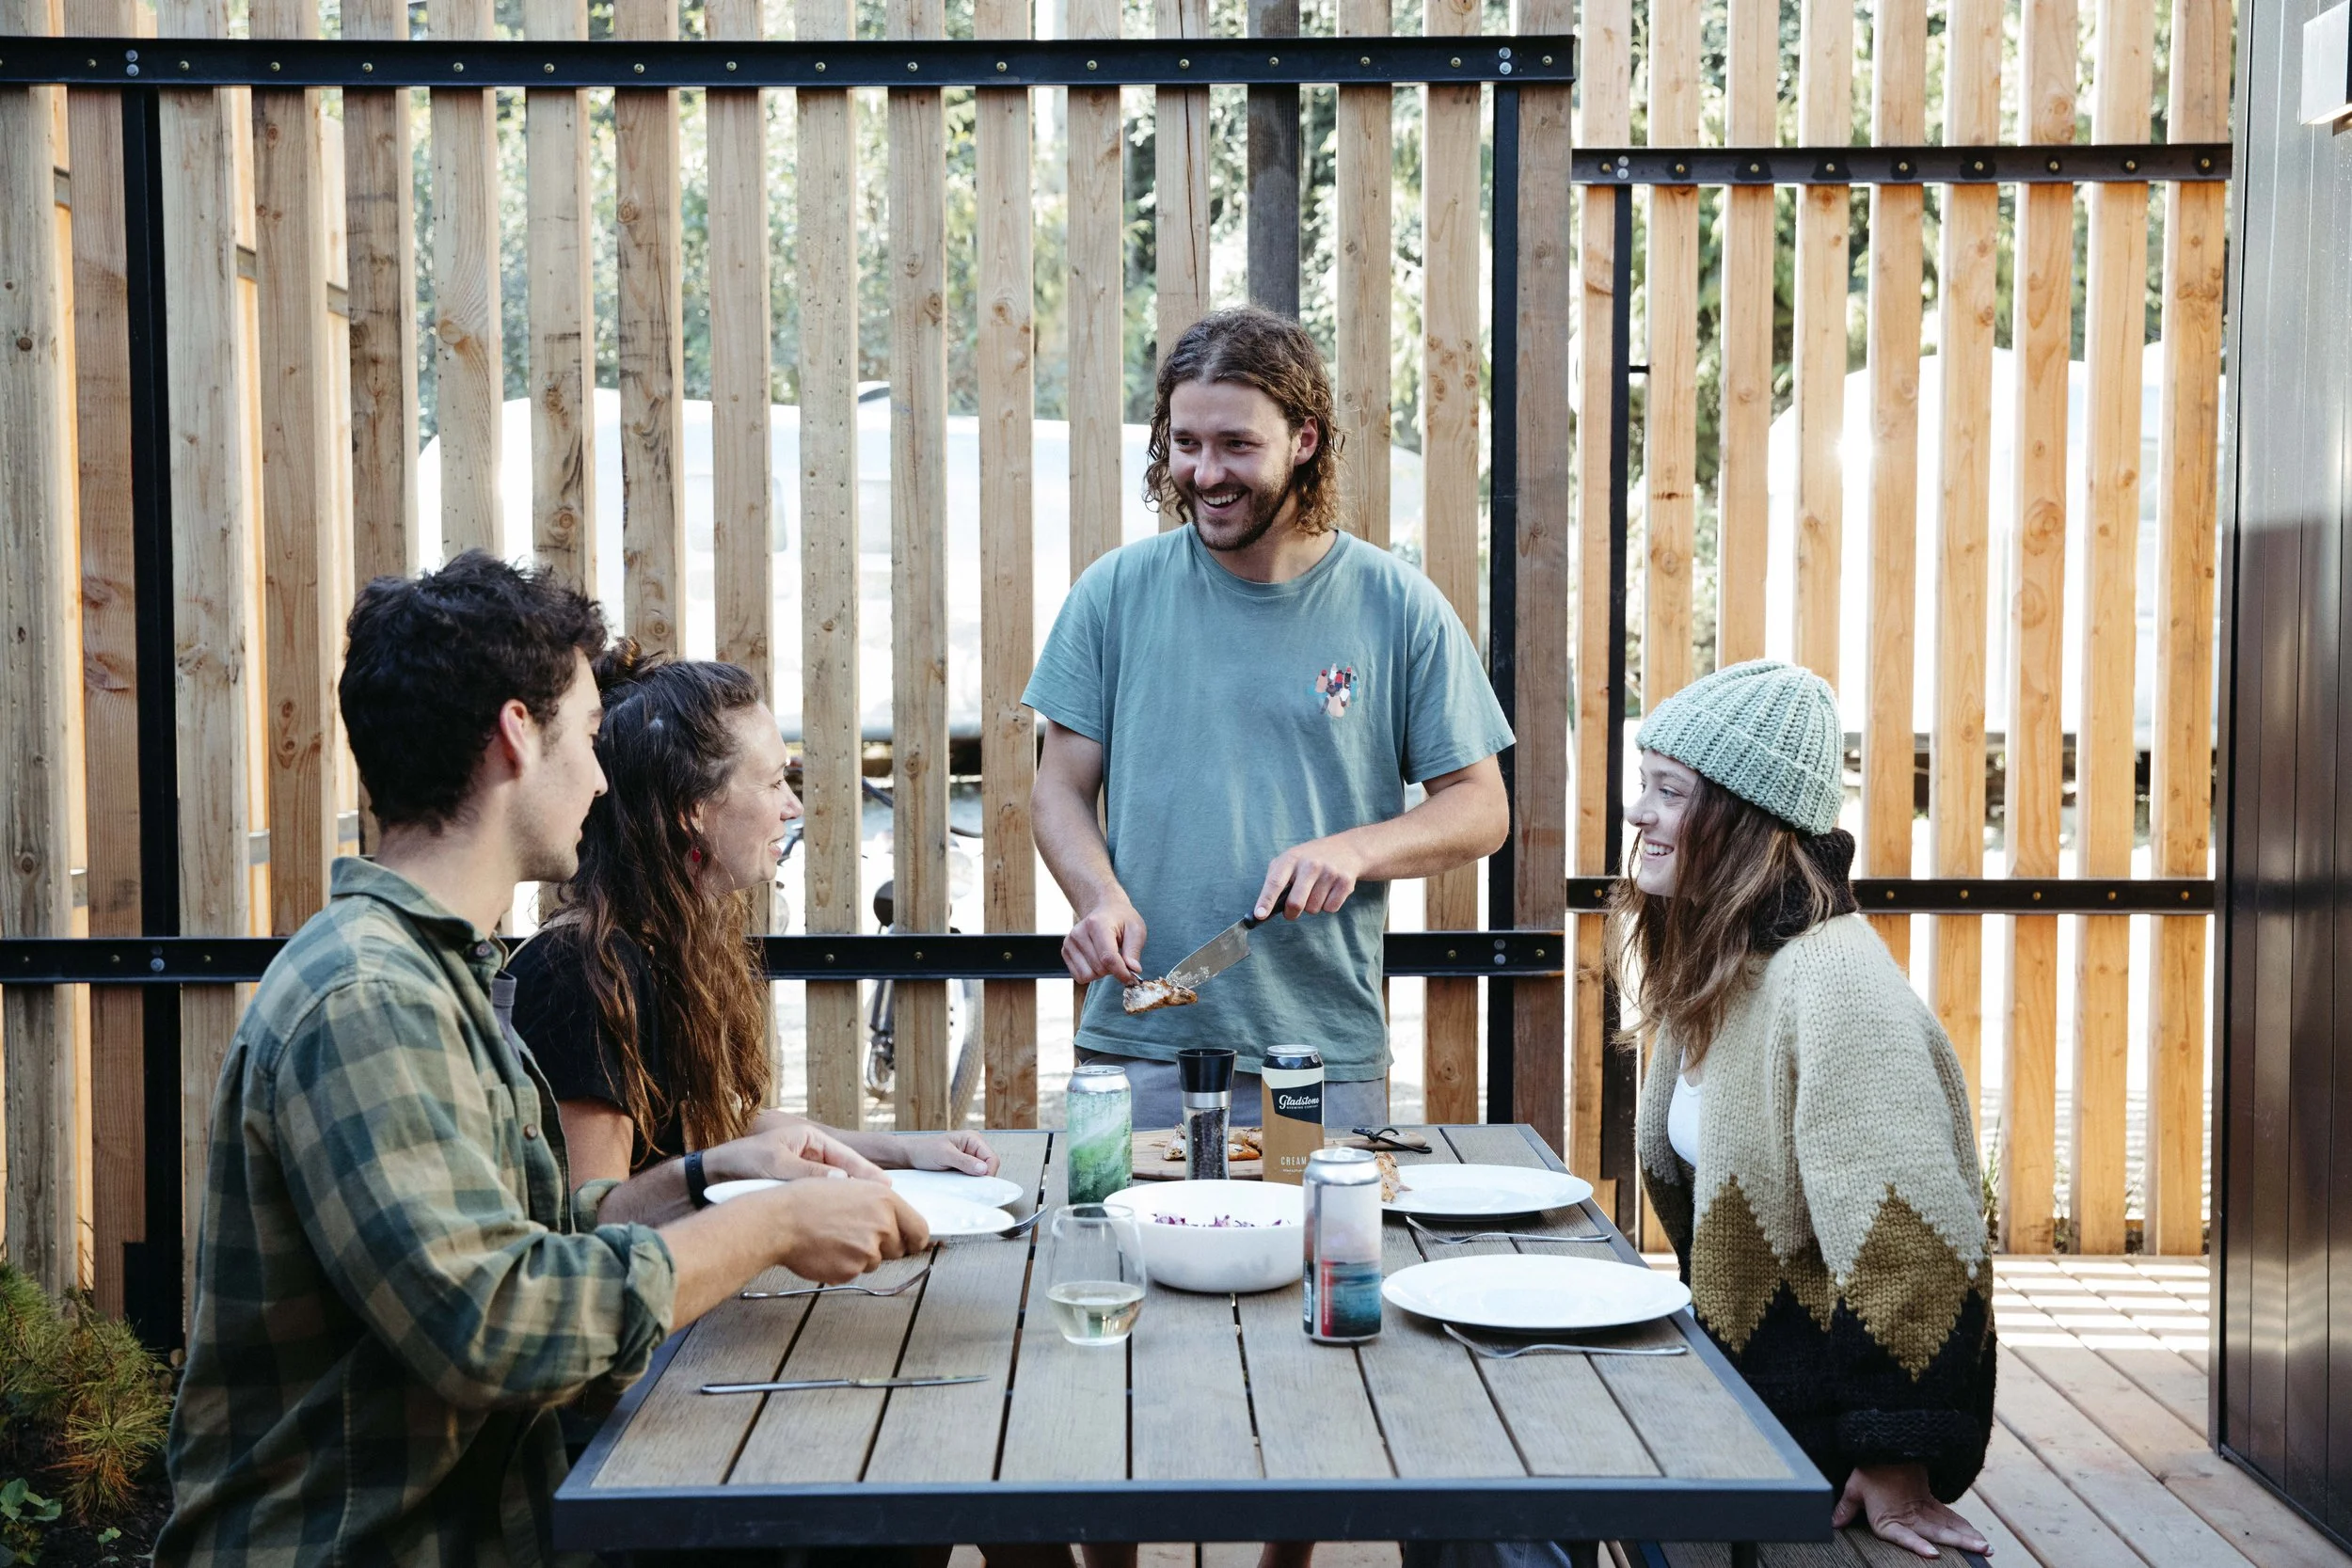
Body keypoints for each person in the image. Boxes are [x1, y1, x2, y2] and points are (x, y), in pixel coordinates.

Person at [156, 552, 930, 1568]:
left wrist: (725, 1172)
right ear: (518, 735)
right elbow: (498, 1325)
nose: (606, 777)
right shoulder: (368, 999)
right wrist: (771, 1222)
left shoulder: (435, 974)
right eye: (593, 736)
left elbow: (544, 1235)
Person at [1025, 306, 1514, 1132]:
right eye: (1186, 443)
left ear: (1305, 440)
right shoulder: (1113, 594)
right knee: (1133, 1256)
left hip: (1318, 1055)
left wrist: (1353, 849)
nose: (1205, 472)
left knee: (1323, 1259)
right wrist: (1098, 897)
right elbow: (1058, 792)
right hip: (1139, 1043)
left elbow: (1483, 807)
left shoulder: (1397, 606)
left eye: (1236, 445)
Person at [1621, 658, 1996, 1560]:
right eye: (1645, 785)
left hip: (1811, 1449)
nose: (1638, 813)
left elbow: (1913, 1237)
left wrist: (1899, 1457)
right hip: (1738, 1398)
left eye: (1668, 790)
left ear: (1744, 817)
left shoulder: (1831, 983)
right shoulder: (1723, 963)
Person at [506, 646, 997, 1203]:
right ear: (691, 809)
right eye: (772, 783)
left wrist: (907, 1150)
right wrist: (778, 1225)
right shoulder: (582, 972)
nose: (794, 807)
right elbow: (595, 1228)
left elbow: (714, 1126)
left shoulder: (662, 937)